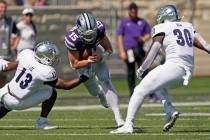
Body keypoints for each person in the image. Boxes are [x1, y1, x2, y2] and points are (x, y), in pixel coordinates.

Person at [110, 5, 210, 134]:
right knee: (159, 85)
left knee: (139, 90)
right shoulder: (188, 26)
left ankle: (128, 124)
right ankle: (169, 110)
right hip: (187, 71)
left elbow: (154, 49)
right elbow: (205, 45)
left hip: (174, 67)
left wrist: (142, 68)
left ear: (165, 16)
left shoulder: (162, 27)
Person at [0, 41, 88, 130]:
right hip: (18, 102)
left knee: (6, 106)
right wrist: (82, 79)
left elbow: (15, 65)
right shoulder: (46, 72)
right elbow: (65, 86)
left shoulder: (26, 54)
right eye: (51, 55)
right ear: (43, 56)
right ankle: (42, 122)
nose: (53, 58)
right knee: (51, 92)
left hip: (5, 91)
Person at [64, 13, 124, 127]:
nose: (90, 37)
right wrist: (88, 61)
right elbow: (74, 64)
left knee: (106, 80)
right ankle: (100, 93)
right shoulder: (72, 39)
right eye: (86, 35)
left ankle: (119, 118)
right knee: (93, 91)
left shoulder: (100, 29)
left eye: (92, 34)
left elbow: (109, 50)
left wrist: (102, 57)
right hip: (82, 63)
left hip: (97, 58)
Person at [117, 2, 159, 101]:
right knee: (131, 73)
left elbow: (149, 34)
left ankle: (150, 94)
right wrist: (121, 51)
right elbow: (120, 37)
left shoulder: (142, 22)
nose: (133, 13)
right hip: (129, 51)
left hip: (140, 50)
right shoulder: (124, 22)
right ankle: (132, 95)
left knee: (145, 71)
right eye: (132, 11)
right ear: (129, 12)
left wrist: (143, 38)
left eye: (135, 11)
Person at [0, 0, 20, 87]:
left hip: (5, 55)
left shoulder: (10, 21)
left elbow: (18, 34)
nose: (3, 9)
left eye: (4, 7)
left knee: (3, 79)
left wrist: (14, 46)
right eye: (1, 7)